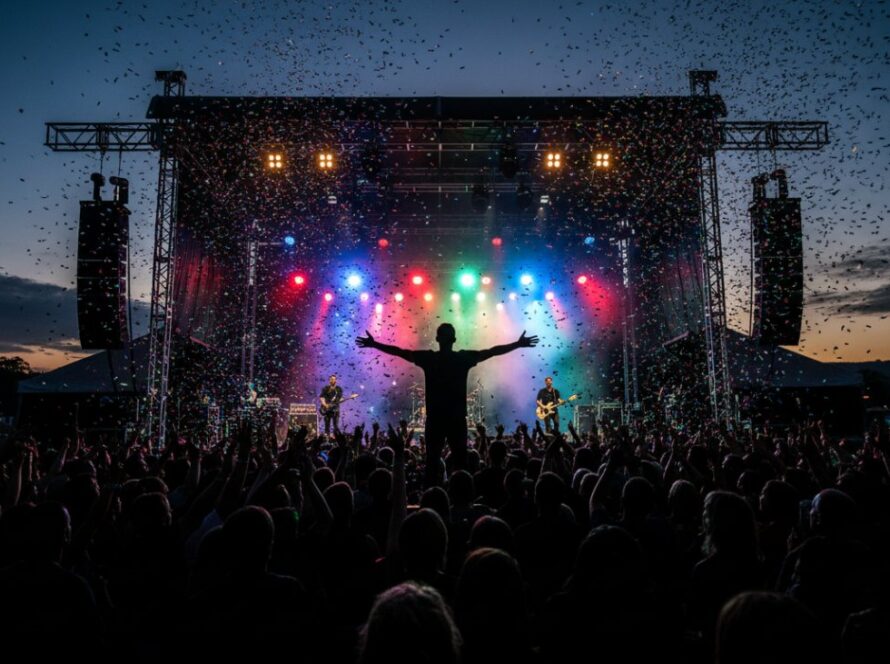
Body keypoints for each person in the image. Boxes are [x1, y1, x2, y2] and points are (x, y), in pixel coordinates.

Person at [356, 323, 538, 485]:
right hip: (457, 419)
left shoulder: (429, 358)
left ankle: (430, 499)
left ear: (437, 339)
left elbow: (400, 352)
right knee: (460, 462)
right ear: (454, 339)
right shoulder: (463, 358)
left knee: (432, 462)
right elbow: (491, 351)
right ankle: (461, 498)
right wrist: (517, 344)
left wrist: (374, 344)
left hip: (435, 419)